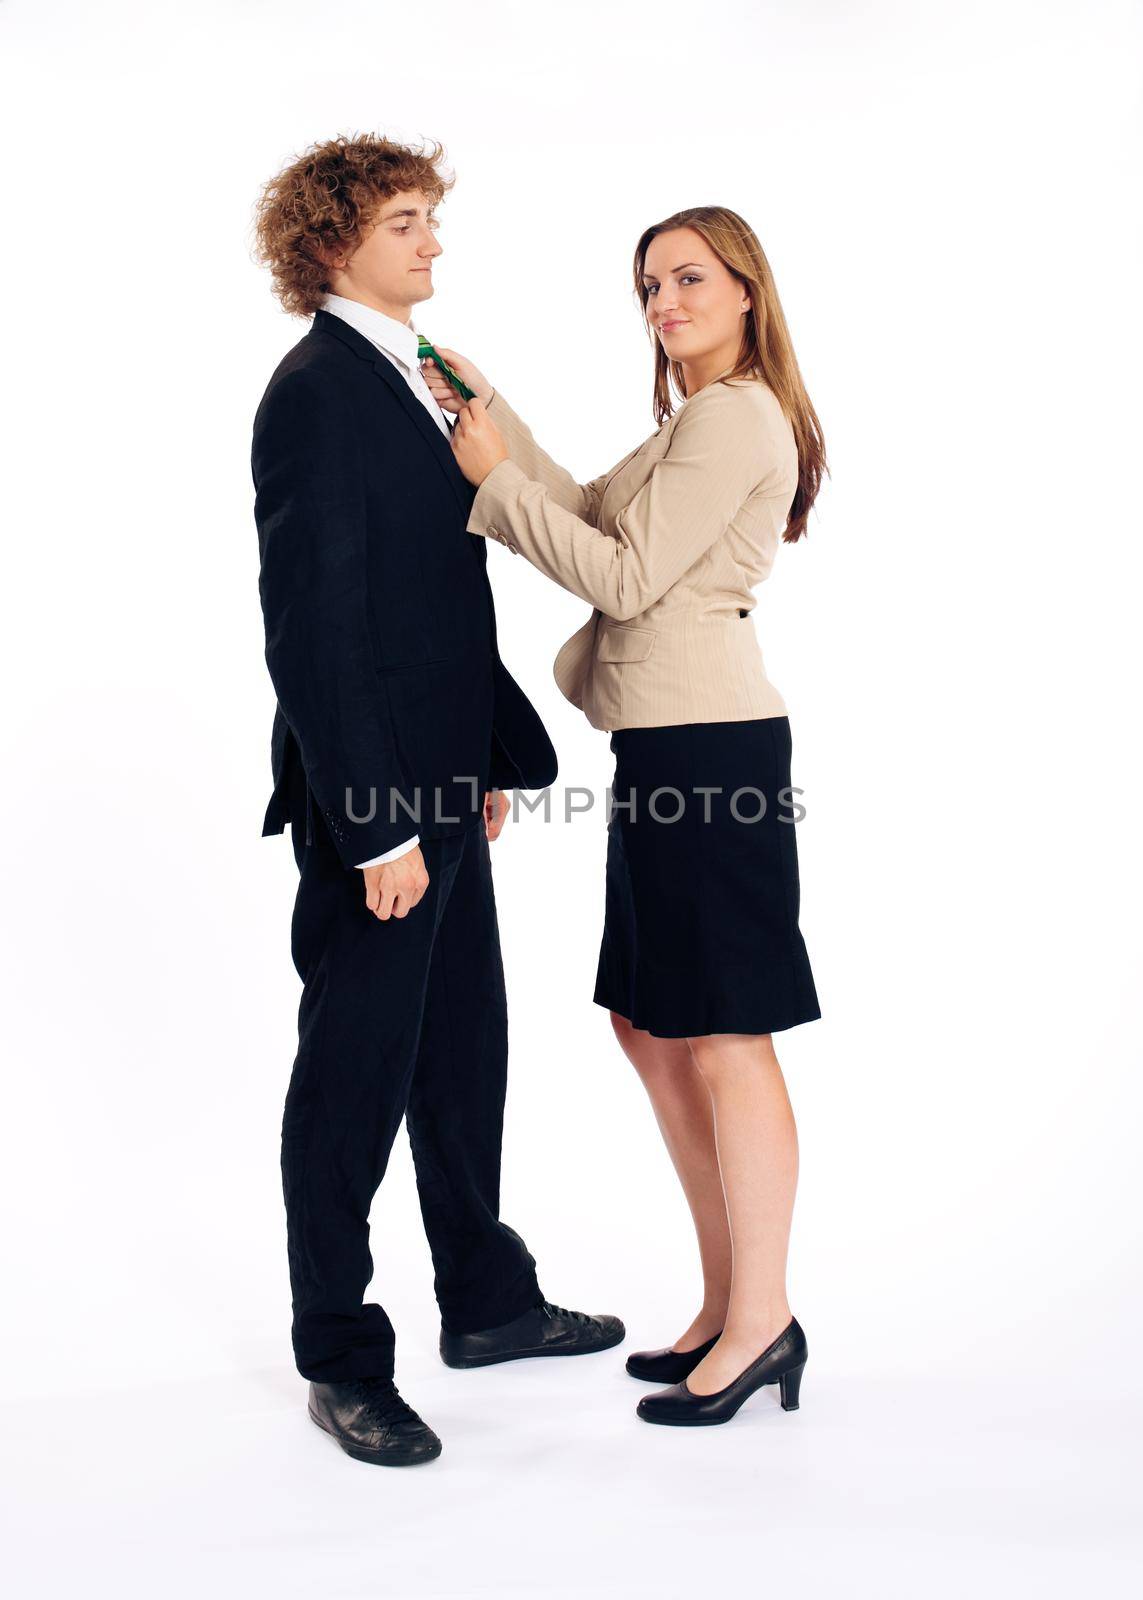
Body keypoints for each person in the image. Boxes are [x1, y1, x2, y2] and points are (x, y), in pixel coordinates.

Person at [248, 134, 624, 1468]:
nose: (431, 241)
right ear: (332, 241)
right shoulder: (314, 392)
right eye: (404, 221)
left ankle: (487, 1299)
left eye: (429, 218)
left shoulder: (423, 373)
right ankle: (340, 1359)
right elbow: (314, 626)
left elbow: (436, 595)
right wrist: (377, 822)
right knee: (353, 1074)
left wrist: (486, 767)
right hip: (380, 810)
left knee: (463, 1046)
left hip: (447, 782)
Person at [421, 205, 825, 1427]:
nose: (665, 301)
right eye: (650, 284)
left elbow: (623, 575)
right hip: (664, 747)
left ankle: (763, 1322)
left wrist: (491, 484)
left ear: (747, 288)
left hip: (712, 748)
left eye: (690, 277)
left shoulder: (741, 414)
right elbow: (589, 508)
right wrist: (488, 412)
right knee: (651, 1028)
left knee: (725, 1035)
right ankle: (728, 1302)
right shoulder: (689, 424)